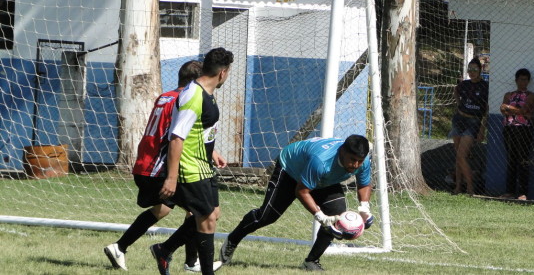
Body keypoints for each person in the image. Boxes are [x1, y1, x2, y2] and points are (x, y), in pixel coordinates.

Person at [104, 60, 216, 272]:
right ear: (197, 81)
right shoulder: (183, 101)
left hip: (143, 163)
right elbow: (176, 136)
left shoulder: (165, 97)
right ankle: (187, 260)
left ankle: (119, 247)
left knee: (162, 209)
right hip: (157, 168)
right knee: (204, 212)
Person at [218, 135, 374, 272]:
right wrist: (321, 217)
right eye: (353, 160)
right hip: (291, 170)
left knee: (336, 214)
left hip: (322, 178)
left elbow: (364, 184)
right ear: (342, 151)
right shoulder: (321, 161)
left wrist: (364, 208)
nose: (356, 165)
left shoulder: (363, 160)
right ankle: (233, 239)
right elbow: (301, 191)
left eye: (359, 161)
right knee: (267, 216)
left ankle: (311, 261)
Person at [148, 47, 234, 275]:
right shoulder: (193, 95)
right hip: (190, 168)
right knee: (206, 220)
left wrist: (213, 152)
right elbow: (177, 137)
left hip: (204, 164)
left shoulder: (207, 92)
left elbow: (200, 129)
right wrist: (172, 178)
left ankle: (164, 250)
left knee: (212, 214)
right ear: (223, 73)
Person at [450, 57, 489, 195]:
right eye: (469, 69)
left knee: (462, 155)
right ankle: (458, 186)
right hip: (459, 119)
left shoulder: (485, 86)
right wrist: (458, 103)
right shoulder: (464, 84)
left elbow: (487, 109)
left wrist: (482, 129)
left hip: (473, 122)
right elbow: (456, 90)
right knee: (458, 156)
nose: (472, 72)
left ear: (480, 70)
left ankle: (470, 188)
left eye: (475, 69)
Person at [500, 68, 534, 201]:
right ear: (516, 80)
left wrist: (510, 109)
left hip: (523, 129)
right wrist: (519, 111)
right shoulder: (509, 94)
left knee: (523, 160)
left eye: (526, 80)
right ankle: (509, 191)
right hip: (509, 128)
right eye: (521, 79)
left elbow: (526, 109)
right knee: (511, 159)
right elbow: (502, 108)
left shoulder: (531, 95)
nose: (523, 82)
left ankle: (522, 192)